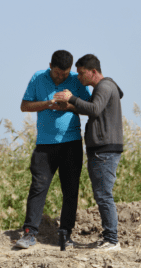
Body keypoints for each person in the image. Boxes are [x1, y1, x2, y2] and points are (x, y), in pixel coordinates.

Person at [15, 50, 91, 249]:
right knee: (38, 187)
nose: (61, 77)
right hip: (45, 144)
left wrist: (69, 105)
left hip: (72, 143)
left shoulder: (76, 80)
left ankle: (65, 234)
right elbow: (24, 106)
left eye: (65, 74)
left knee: (71, 190)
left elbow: (89, 107)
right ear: (50, 66)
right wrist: (48, 104)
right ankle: (29, 233)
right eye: (58, 73)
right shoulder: (38, 78)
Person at [54, 54, 123, 251]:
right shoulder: (105, 88)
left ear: (93, 72)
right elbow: (94, 110)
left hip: (105, 149)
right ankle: (109, 237)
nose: (79, 77)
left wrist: (72, 98)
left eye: (82, 73)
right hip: (103, 148)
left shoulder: (104, 86)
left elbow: (93, 109)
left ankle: (112, 239)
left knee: (103, 195)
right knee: (102, 194)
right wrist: (71, 107)